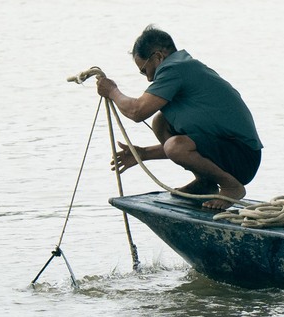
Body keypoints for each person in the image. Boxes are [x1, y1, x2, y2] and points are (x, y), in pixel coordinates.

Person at [94, 27, 263, 212]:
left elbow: (137, 111)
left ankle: (231, 187)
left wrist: (112, 91)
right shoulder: (182, 66)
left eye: (145, 70)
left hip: (243, 156)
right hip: (229, 151)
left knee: (175, 145)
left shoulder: (175, 68)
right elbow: (191, 145)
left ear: (158, 57)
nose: (149, 78)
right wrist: (143, 154)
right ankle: (205, 182)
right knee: (161, 122)